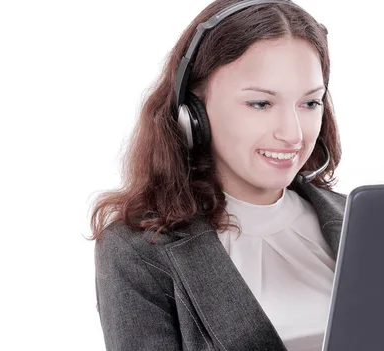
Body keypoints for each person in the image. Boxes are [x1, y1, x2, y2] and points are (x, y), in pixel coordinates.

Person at [89, 0, 346, 350]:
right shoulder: (138, 250)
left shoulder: (360, 221)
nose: (293, 134)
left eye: (310, 103)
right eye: (261, 104)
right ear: (192, 111)